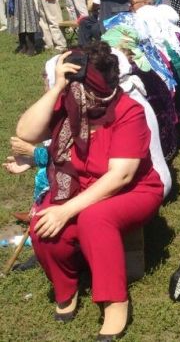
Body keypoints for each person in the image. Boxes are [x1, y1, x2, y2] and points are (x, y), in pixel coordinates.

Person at [22, 43, 163, 340]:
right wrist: (56, 87)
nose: (71, 93)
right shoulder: (70, 103)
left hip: (133, 191)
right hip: (79, 186)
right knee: (42, 226)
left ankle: (114, 301)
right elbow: (27, 133)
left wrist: (67, 210)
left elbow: (120, 176)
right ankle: (66, 287)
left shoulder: (127, 111)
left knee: (94, 219)